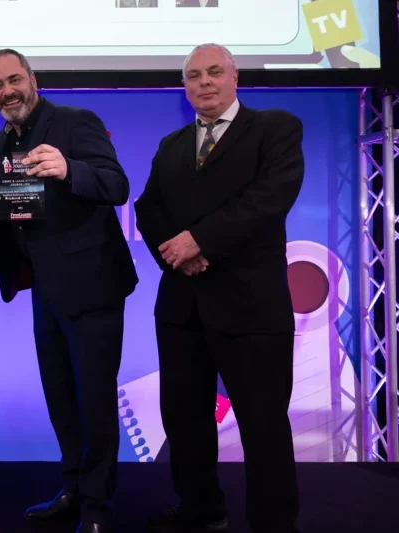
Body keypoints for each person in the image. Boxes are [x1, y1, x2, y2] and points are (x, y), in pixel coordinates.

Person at [134, 43, 303, 533]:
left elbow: (268, 199)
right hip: (183, 309)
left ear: (234, 77)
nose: (203, 82)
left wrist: (201, 242)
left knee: (264, 426)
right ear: (184, 87)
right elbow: (148, 208)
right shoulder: (171, 144)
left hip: (251, 309)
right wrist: (177, 253)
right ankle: (200, 510)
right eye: (192, 75)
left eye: (213, 72)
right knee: (185, 424)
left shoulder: (275, 129)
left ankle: (274, 523)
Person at [0, 49, 138, 533]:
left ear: (33, 79)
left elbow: (116, 185)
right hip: (44, 293)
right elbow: (10, 215)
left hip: (92, 287)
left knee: (93, 401)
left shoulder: (75, 122)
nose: (7, 91)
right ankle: (72, 487)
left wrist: (70, 169)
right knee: (61, 400)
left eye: (14, 79)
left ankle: (96, 508)